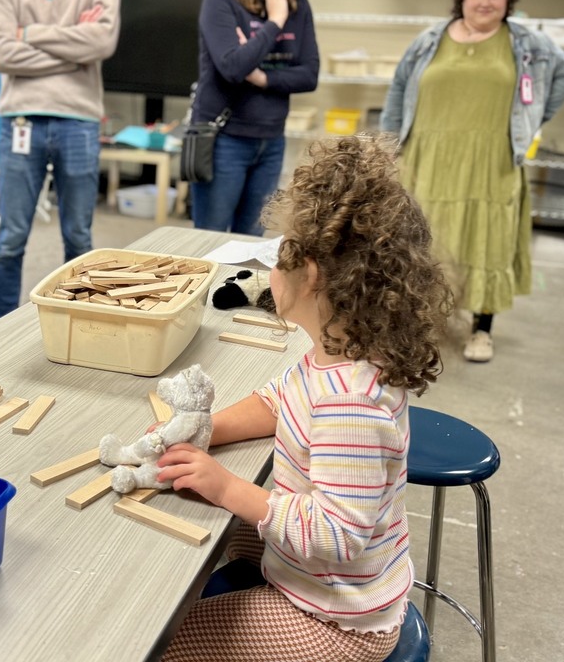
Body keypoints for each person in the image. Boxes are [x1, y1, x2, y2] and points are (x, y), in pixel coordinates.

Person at [157, 135, 454, 662]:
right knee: (213, 529)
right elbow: (279, 400)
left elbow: (335, 536)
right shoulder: (338, 350)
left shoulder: (350, 404)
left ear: (310, 274)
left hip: (337, 620)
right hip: (323, 576)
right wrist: (207, 431)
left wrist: (226, 485)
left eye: (277, 253)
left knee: (165, 638)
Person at [382, 0, 564, 364]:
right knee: (423, 243)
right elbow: (399, 89)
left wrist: (531, 118)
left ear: (509, 0)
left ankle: (481, 330)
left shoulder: (525, 42)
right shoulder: (429, 40)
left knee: (488, 240)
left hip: (492, 161)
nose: (486, 1)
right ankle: (421, 325)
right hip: (427, 158)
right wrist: (387, 144)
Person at [0, 0, 120, 320]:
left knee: (79, 238)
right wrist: (73, 47)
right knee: (10, 238)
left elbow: (103, 42)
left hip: (79, 120)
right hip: (20, 117)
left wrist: (30, 33)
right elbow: (3, 55)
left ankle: (81, 321)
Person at [189, 0, 319, 236]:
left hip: (271, 139)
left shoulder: (298, 4)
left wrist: (261, 77)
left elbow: (309, 75)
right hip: (225, 140)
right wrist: (274, 21)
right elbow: (232, 67)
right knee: (211, 240)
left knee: (252, 244)